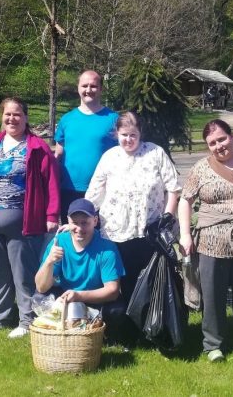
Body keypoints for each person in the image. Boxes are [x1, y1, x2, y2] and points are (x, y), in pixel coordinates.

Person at [0, 97, 60, 338]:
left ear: (25, 117)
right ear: (2, 117)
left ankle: (27, 320)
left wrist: (51, 214)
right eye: (7, 114)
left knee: (22, 272)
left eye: (17, 114)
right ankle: (0, 316)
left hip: (23, 220)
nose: (12, 119)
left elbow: (51, 182)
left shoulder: (37, 147)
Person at [178, 119, 233, 363]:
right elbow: (185, 200)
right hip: (212, 241)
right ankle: (213, 344)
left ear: (232, 136)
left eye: (222, 139)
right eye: (212, 143)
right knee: (212, 294)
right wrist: (185, 234)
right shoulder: (201, 168)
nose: (219, 146)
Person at [85, 111, 181, 339]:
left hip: (150, 232)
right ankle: (123, 330)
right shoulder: (109, 157)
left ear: (140, 134)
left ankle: (150, 329)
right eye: (124, 135)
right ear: (117, 134)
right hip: (116, 232)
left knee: (147, 282)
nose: (128, 139)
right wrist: (78, 219)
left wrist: (167, 217)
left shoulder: (155, 153)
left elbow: (174, 188)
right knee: (123, 283)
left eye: (133, 135)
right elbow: (94, 193)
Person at [35, 198, 126, 332]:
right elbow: (41, 287)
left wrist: (79, 296)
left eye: (85, 223)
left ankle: (103, 335)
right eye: (75, 223)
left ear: (95, 221)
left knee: (117, 310)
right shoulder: (59, 242)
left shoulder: (107, 247)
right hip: (66, 297)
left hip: (95, 298)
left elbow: (113, 291)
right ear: (68, 221)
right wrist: (49, 261)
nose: (79, 228)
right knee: (39, 298)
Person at [54, 70, 119, 222]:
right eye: (84, 86)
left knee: (101, 234)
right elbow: (58, 154)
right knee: (72, 232)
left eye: (93, 86)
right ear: (78, 88)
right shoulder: (67, 119)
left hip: (103, 190)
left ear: (101, 89)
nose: (88, 90)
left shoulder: (114, 119)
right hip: (69, 189)